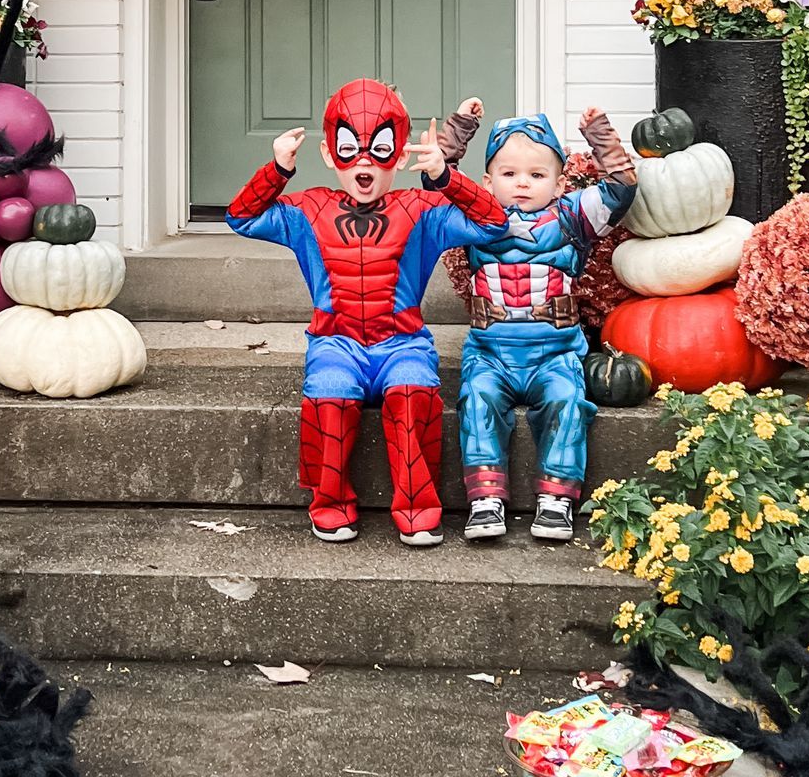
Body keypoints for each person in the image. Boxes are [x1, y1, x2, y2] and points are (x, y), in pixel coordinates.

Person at [226, 78, 505, 547]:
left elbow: (494, 223)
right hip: (335, 343)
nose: (363, 163)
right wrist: (277, 170)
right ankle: (329, 504)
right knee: (328, 392)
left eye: (377, 150)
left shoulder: (423, 209)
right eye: (350, 149)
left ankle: (418, 507)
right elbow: (243, 217)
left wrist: (444, 177)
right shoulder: (306, 210)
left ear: (397, 155)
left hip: (402, 342)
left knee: (415, 390)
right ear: (331, 155)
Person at [440, 100, 637, 543]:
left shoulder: (571, 217)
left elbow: (621, 188)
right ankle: (485, 499)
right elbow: (437, 185)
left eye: (536, 174)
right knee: (477, 401)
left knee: (568, 401)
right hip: (491, 354)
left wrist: (600, 135)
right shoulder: (475, 215)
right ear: (488, 181)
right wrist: (460, 129)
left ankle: (556, 499)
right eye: (509, 174)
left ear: (559, 180)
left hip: (555, 352)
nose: (523, 183)